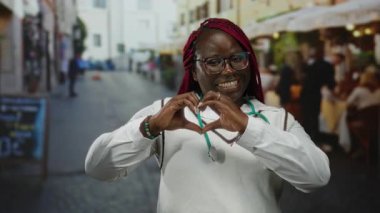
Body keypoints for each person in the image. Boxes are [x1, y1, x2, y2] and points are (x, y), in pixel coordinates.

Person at [85, 18, 330, 212]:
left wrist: (248, 128)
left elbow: (316, 177)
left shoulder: (276, 119)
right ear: (193, 70)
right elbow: (98, 167)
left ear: (249, 61)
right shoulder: (165, 114)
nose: (228, 70)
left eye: (237, 59)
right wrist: (149, 128)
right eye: (213, 62)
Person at [300, 45, 336, 142]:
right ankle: (315, 139)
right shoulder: (326, 66)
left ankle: (307, 138)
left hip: (307, 94)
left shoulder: (311, 66)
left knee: (307, 117)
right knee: (314, 116)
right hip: (315, 94)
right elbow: (331, 83)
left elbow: (304, 77)